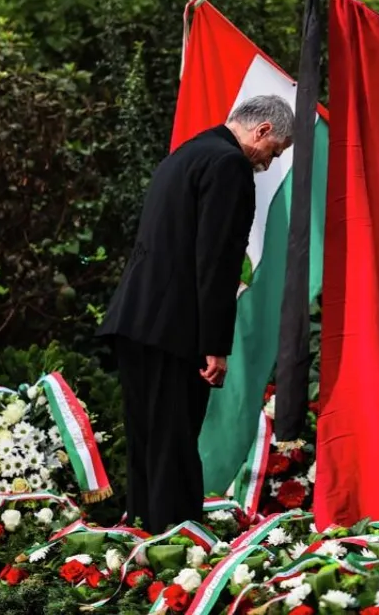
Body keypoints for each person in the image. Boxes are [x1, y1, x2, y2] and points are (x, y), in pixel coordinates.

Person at [97, 94, 294, 533]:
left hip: (137, 320)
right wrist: (214, 346)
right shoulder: (229, 165)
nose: (266, 165)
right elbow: (217, 262)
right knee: (174, 442)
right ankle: (177, 546)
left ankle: (146, 536)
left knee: (147, 443)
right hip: (176, 329)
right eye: (273, 152)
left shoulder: (186, 154)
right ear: (262, 130)